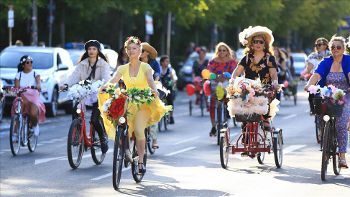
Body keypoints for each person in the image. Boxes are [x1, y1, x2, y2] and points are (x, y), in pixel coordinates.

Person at [102, 36, 171, 173]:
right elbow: (113, 80)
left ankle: (140, 161)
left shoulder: (146, 67)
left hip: (143, 103)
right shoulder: (122, 68)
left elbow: (151, 81)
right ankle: (125, 150)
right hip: (127, 102)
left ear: (140, 51)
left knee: (139, 130)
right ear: (126, 51)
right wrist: (105, 86)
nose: (132, 51)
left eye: (135, 48)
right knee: (121, 126)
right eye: (129, 48)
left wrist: (154, 90)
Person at [304, 35, 350, 168]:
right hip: (328, 94)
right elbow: (316, 75)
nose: (335, 49)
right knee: (321, 116)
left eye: (338, 47)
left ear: (343, 48)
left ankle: (342, 156)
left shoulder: (348, 60)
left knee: (341, 125)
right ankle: (325, 141)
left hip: (345, 96)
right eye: (333, 47)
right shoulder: (326, 61)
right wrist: (308, 85)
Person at [60, 40, 110, 153]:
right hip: (85, 93)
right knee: (75, 110)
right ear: (86, 51)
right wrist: (66, 84)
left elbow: (107, 78)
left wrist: (105, 86)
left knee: (95, 120)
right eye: (89, 49)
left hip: (99, 94)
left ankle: (102, 139)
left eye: (94, 49)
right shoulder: (82, 64)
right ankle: (77, 133)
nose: (91, 51)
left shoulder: (103, 64)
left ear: (98, 51)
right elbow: (74, 76)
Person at [231, 26, 278, 131]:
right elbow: (237, 71)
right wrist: (232, 80)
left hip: (265, 87)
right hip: (248, 87)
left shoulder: (269, 58)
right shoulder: (247, 58)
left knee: (267, 95)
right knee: (243, 105)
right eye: (255, 41)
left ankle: (266, 120)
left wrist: (275, 83)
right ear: (251, 44)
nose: (258, 44)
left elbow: (273, 73)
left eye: (261, 42)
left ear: (265, 44)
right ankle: (245, 128)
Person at [207, 42, 237, 136]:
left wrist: (227, 78)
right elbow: (209, 71)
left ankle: (228, 117)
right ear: (217, 51)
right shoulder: (213, 61)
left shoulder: (232, 61)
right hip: (215, 83)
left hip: (228, 83)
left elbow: (234, 72)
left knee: (230, 100)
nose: (222, 52)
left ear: (227, 51)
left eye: (224, 50)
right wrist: (215, 77)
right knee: (212, 104)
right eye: (220, 50)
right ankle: (213, 126)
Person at [13, 56, 46, 137]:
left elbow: (38, 83)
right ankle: (15, 132)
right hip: (22, 95)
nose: (30, 64)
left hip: (33, 96)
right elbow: (17, 88)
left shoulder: (35, 73)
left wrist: (38, 86)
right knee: (18, 112)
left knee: (33, 113)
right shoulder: (19, 75)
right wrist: (16, 91)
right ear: (23, 65)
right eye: (28, 62)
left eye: (31, 62)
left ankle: (34, 126)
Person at [303, 38, 331, 114]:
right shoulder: (312, 56)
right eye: (316, 45)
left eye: (319, 45)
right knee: (311, 95)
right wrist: (304, 74)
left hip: (329, 78)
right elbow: (309, 68)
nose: (317, 46)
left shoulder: (331, 54)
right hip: (316, 78)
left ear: (325, 45)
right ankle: (313, 110)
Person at [160, 55, 177, 124]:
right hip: (160, 87)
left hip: (168, 87)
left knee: (170, 100)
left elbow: (174, 78)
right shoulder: (159, 69)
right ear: (162, 62)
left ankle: (171, 116)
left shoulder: (170, 70)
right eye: (166, 61)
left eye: (168, 61)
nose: (167, 63)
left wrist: (173, 83)